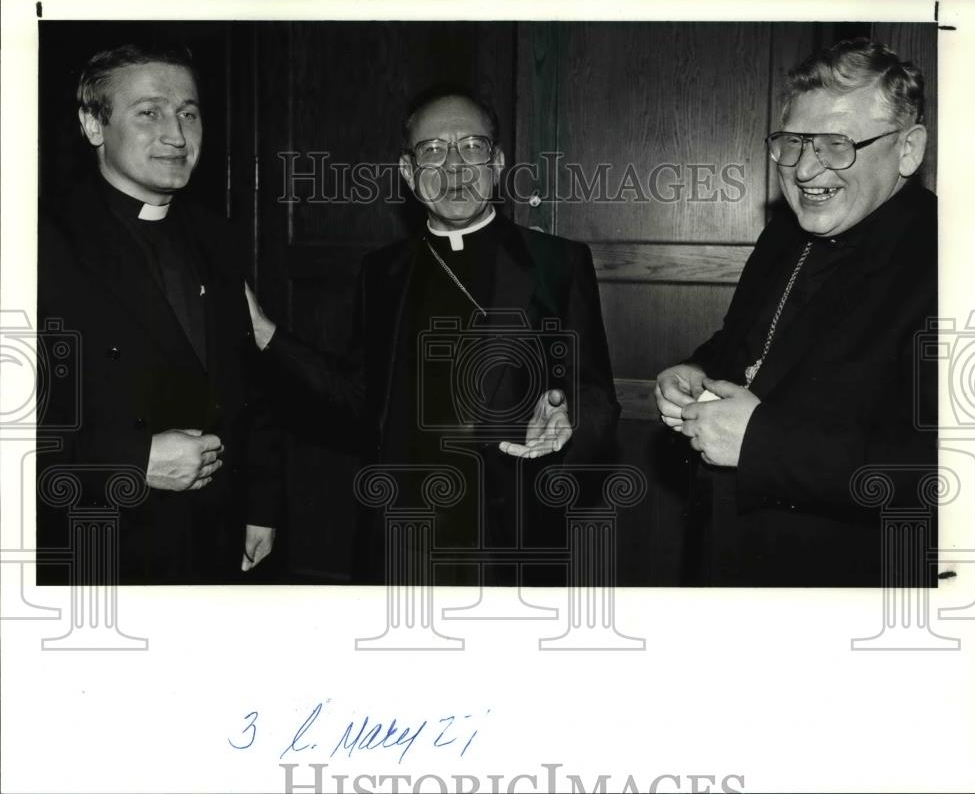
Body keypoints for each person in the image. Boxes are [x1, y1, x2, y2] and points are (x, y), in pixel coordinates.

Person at [246, 88, 620, 584]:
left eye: (471, 148)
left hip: (508, 535)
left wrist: (570, 416)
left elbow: (596, 393)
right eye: (433, 151)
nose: (455, 169)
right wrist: (267, 334)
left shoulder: (557, 262)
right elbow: (358, 396)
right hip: (401, 534)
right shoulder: (382, 271)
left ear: (498, 162)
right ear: (407, 172)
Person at [654, 38, 936, 586]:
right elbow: (751, 345)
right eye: (793, 142)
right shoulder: (785, 232)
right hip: (726, 561)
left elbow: (948, 470)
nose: (806, 170)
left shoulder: (956, 260)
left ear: (907, 149)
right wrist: (696, 371)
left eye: (835, 144)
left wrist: (762, 444)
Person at [37, 44, 281, 584]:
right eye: (148, 112)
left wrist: (261, 505)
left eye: (188, 113)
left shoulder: (218, 236)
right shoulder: (37, 243)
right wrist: (132, 459)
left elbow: (250, 387)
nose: (176, 134)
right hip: (99, 545)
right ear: (92, 125)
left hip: (216, 537)